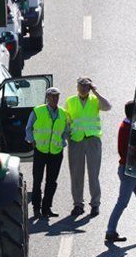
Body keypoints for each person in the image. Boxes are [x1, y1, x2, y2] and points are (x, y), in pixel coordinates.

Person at [105, 101, 136, 242]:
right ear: (134, 113)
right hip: (130, 170)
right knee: (123, 202)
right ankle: (110, 231)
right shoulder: (128, 128)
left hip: (133, 170)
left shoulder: (127, 126)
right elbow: (135, 149)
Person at [65, 78, 111, 217]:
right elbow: (67, 120)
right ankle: (78, 204)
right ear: (77, 86)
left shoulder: (95, 100)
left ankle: (95, 204)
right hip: (76, 140)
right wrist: (68, 137)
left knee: (93, 174)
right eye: (81, 86)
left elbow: (108, 107)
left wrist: (96, 92)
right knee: (76, 175)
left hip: (92, 140)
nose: (84, 89)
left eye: (86, 86)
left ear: (90, 87)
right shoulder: (70, 101)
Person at [26, 87, 71, 219]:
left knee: (52, 181)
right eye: (52, 96)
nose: (55, 98)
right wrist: (32, 140)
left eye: (57, 96)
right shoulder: (38, 111)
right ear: (47, 97)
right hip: (41, 150)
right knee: (37, 180)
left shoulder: (63, 113)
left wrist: (62, 142)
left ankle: (47, 208)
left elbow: (66, 130)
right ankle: (36, 208)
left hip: (56, 152)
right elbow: (29, 128)